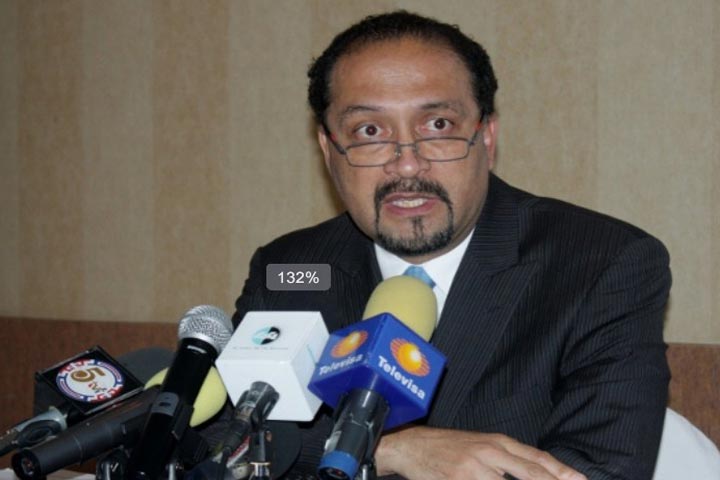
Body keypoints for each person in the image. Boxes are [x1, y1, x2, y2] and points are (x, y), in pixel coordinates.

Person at [231, 10, 671, 480]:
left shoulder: (601, 264)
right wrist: (388, 450)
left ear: (487, 136)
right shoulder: (292, 269)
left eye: (437, 125)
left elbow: (600, 469)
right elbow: (221, 437)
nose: (406, 165)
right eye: (370, 132)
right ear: (328, 149)